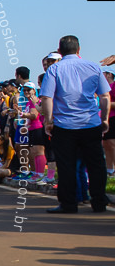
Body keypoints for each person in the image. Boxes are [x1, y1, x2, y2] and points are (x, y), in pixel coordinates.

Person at [39, 35, 111, 213]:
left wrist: (49, 121)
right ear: (79, 49)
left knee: (66, 166)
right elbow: (104, 97)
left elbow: (47, 97)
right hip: (90, 123)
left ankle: (69, 204)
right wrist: (105, 119)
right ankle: (99, 201)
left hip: (64, 125)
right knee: (96, 165)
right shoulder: (93, 66)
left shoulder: (54, 70)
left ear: (60, 51)